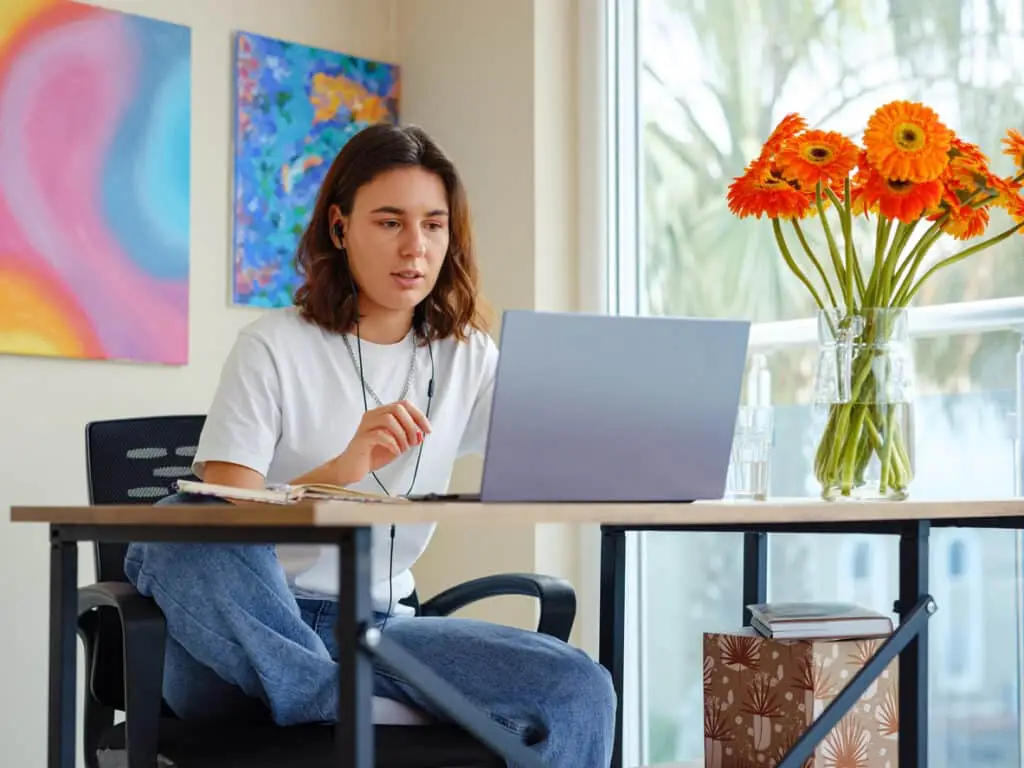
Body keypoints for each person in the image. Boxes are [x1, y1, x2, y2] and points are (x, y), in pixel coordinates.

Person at [123, 123, 616, 766]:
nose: (415, 247)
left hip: (383, 635)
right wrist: (339, 472)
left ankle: (343, 697)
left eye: (433, 225)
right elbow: (219, 521)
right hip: (245, 638)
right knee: (178, 529)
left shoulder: (468, 357)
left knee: (580, 687)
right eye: (389, 222)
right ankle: (332, 697)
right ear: (339, 226)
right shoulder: (272, 347)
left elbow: (551, 457)